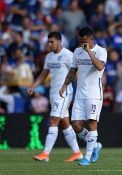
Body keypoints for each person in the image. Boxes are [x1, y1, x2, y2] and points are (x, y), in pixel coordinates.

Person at [27, 32, 82, 162]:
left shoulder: (68, 55)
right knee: (65, 124)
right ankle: (77, 153)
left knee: (53, 121)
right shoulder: (49, 57)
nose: (49, 44)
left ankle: (45, 154)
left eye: (52, 41)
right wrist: (33, 86)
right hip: (53, 94)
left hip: (64, 94)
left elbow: (76, 74)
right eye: (48, 42)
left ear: (59, 41)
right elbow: (43, 75)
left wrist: (80, 90)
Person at [59, 26, 107, 166]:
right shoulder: (77, 52)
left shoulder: (101, 51)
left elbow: (99, 67)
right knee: (77, 126)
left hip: (94, 95)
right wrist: (64, 85)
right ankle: (96, 145)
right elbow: (72, 71)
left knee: (92, 123)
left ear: (91, 38)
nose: (81, 44)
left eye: (83, 41)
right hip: (80, 94)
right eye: (79, 41)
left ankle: (87, 156)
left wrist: (89, 52)